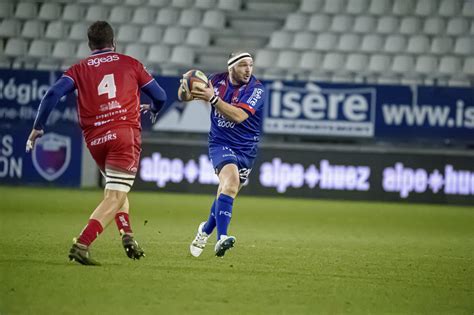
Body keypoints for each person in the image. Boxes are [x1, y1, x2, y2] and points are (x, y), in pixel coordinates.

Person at [25, 21, 167, 265]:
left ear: (90, 44)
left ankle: (127, 235)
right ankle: (82, 243)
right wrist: (153, 107)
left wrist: (38, 127)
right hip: (124, 134)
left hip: (96, 140)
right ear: (114, 42)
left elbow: (52, 94)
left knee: (116, 189)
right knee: (114, 194)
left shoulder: (78, 69)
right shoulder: (130, 63)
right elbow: (161, 96)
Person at [181, 51, 265, 257]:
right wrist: (185, 88)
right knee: (230, 182)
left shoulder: (257, 89)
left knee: (227, 190)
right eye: (243, 65)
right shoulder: (215, 81)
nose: (248, 70)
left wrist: (213, 98)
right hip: (221, 143)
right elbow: (185, 97)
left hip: (246, 148)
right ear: (231, 68)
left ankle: (205, 230)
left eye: (250, 65)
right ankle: (222, 238)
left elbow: (238, 116)